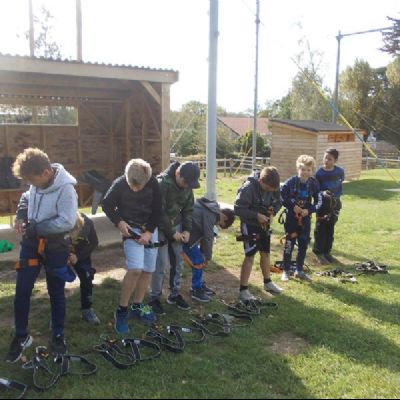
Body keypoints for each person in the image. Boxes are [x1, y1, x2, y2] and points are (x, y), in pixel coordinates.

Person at [6, 148, 78, 363]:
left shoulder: (66, 189)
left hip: (55, 248)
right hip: (30, 246)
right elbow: (26, 197)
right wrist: (21, 214)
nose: (30, 183)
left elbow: (67, 221)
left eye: (32, 179)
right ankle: (21, 335)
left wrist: (37, 228)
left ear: (46, 172)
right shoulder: (35, 183)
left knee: (56, 292)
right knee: (22, 291)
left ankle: (57, 334)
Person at [102, 158, 162, 335]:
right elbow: (107, 204)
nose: (135, 189)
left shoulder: (153, 183)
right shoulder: (119, 184)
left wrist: (149, 232)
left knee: (148, 270)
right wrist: (119, 222)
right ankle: (122, 310)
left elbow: (158, 209)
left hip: (150, 229)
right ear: (127, 178)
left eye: (139, 186)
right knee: (135, 268)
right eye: (132, 186)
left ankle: (138, 305)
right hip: (130, 229)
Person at [149, 161, 200, 315]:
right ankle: (154, 298)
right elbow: (159, 211)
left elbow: (188, 209)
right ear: (178, 174)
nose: (186, 186)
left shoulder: (188, 185)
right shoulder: (162, 184)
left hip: (177, 227)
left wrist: (187, 230)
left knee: (178, 262)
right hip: (161, 227)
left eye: (190, 184)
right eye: (185, 182)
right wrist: (172, 233)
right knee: (161, 263)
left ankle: (174, 294)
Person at [234, 166, 283, 302]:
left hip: (265, 225)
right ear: (261, 180)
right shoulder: (248, 188)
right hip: (250, 225)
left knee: (266, 253)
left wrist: (273, 213)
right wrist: (256, 215)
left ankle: (268, 283)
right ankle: (243, 290)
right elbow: (238, 209)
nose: (271, 191)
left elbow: (279, 201)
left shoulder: (274, 185)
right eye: (268, 189)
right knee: (249, 256)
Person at [182, 197, 236, 302]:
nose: (217, 225)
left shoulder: (211, 208)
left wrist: (204, 253)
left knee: (200, 259)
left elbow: (204, 236)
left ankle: (199, 285)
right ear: (224, 217)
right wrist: (208, 257)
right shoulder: (211, 214)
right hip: (185, 236)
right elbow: (208, 236)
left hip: (189, 235)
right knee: (198, 261)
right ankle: (196, 289)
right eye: (221, 224)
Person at [280, 155, 320, 282]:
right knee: (289, 244)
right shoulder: (290, 182)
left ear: (312, 171)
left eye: (308, 170)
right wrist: (292, 206)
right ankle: (286, 271)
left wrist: (310, 210)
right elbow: (281, 196)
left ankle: (299, 270)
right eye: (302, 169)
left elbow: (319, 202)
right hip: (291, 219)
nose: (305, 172)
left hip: (305, 219)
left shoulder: (314, 184)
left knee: (303, 244)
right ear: (298, 169)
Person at [313, 148, 345, 264]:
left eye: (329, 159)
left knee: (330, 229)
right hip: (323, 205)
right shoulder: (319, 173)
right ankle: (319, 253)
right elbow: (316, 189)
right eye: (325, 157)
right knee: (321, 229)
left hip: (335, 204)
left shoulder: (340, 171)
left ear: (335, 160)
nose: (326, 160)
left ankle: (327, 252)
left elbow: (341, 181)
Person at [68, 211, 100, 325]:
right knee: (56, 280)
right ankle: (56, 314)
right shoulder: (56, 222)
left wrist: (78, 256)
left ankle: (87, 309)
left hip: (80, 252)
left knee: (87, 277)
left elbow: (94, 242)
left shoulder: (87, 223)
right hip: (60, 251)